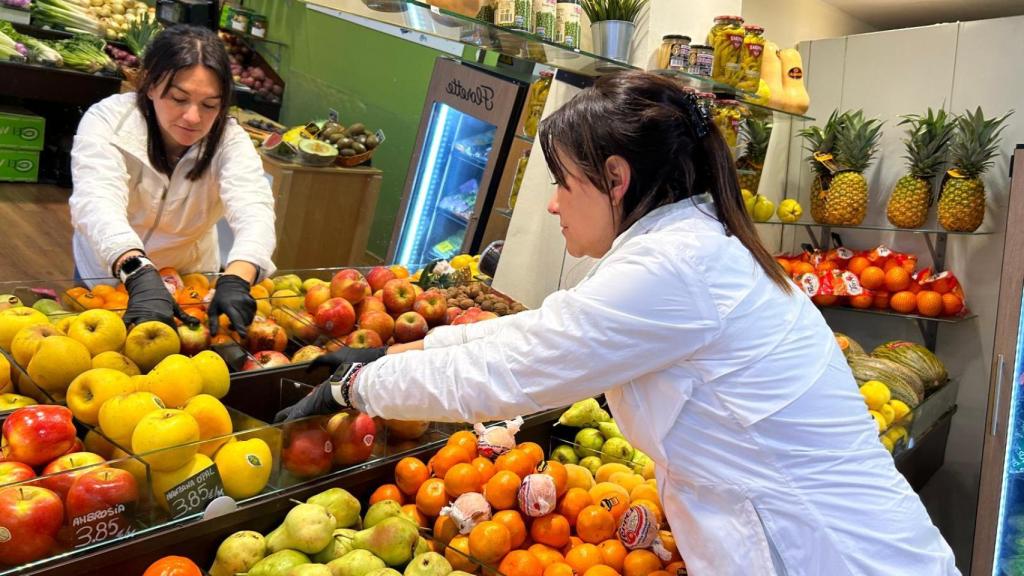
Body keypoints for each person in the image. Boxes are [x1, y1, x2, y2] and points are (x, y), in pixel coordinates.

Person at [276, 71, 958, 575]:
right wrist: (409, 351)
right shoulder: (689, 249)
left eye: (561, 183)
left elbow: (510, 372)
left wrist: (357, 391)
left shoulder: (675, 269)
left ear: (615, 176)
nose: (551, 207)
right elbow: (547, 331)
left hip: (834, 555)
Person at [69, 25, 275, 336]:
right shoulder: (108, 122)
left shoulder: (230, 141)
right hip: (108, 272)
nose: (193, 117)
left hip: (188, 278)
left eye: (210, 105)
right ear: (150, 83)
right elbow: (97, 202)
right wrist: (137, 273)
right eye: (179, 98)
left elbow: (254, 209)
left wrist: (237, 276)